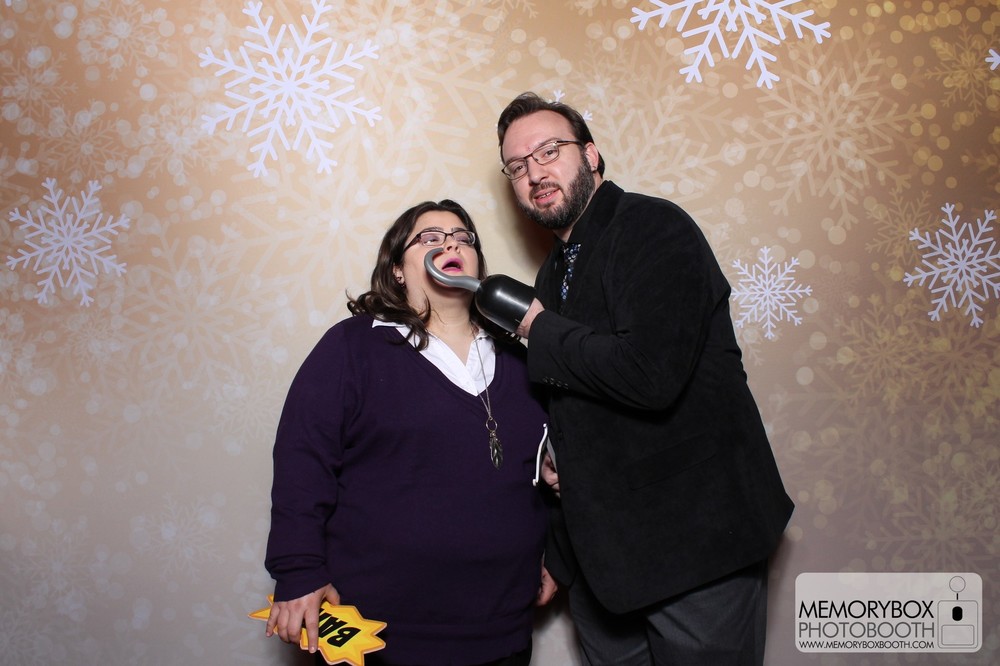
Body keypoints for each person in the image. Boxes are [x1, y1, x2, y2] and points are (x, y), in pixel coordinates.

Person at [493, 92, 794, 665]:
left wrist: (535, 327)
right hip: (607, 570)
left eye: (549, 151)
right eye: (517, 165)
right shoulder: (553, 273)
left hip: (698, 548)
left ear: (591, 155)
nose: (534, 172)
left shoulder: (654, 227)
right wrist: (559, 553)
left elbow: (650, 375)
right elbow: (578, 412)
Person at [263, 199, 556, 666]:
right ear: (397, 269)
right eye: (431, 238)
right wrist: (298, 570)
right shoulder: (353, 346)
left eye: (463, 239)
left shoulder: (524, 358)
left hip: (502, 628)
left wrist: (557, 555)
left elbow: (554, 471)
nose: (451, 245)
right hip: (377, 633)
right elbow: (303, 459)